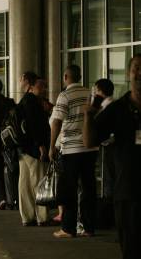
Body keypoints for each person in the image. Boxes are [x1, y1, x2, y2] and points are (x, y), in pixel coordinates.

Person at [84, 54, 141, 259]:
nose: (140, 72)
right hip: (127, 193)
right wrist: (89, 115)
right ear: (129, 73)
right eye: (136, 68)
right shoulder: (118, 109)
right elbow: (90, 141)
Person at [49, 65, 98, 238]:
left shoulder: (65, 95)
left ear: (65, 76)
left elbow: (56, 122)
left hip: (71, 149)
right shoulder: (89, 94)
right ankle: (89, 227)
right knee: (88, 187)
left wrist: (51, 147)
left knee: (69, 189)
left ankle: (68, 228)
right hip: (90, 147)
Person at [16, 71, 51, 227]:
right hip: (34, 149)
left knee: (24, 183)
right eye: (41, 86)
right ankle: (42, 217)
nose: (44, 89)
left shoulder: (23, 101)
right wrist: (41, 145)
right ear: (31, 86)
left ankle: (27, 216)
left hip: (23, 149)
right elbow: (34, 126)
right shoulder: (32, 102)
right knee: (39, 182)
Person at [0, 78, 14, 210]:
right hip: (8, 139)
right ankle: (12, 197)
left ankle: (1, 198)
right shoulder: (9, 102)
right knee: (10, 168)